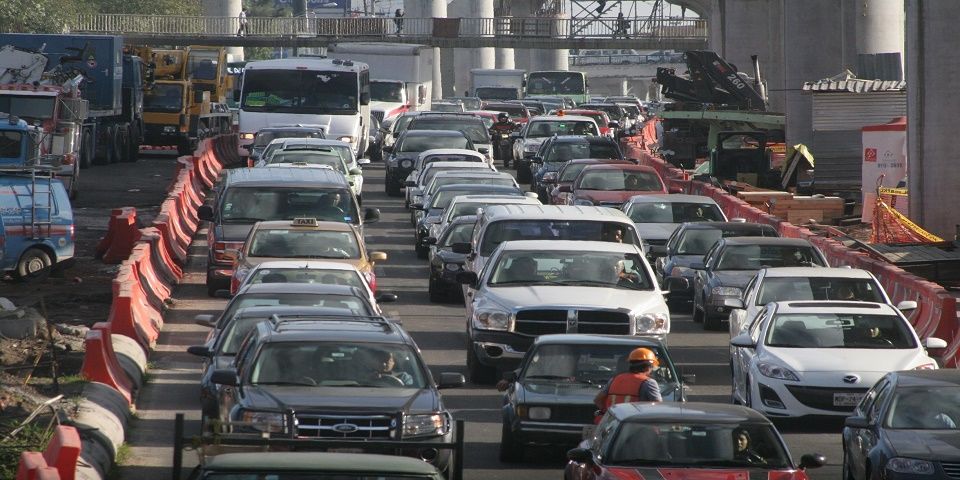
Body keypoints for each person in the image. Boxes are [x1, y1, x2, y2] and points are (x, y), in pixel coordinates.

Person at [594, 348, 661, 421]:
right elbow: (658, 406)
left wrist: (608, 413)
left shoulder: (615, 379)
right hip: (635, 423)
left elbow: (598, 400)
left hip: (614, 423)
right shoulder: (649, 382)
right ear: (648, 366)